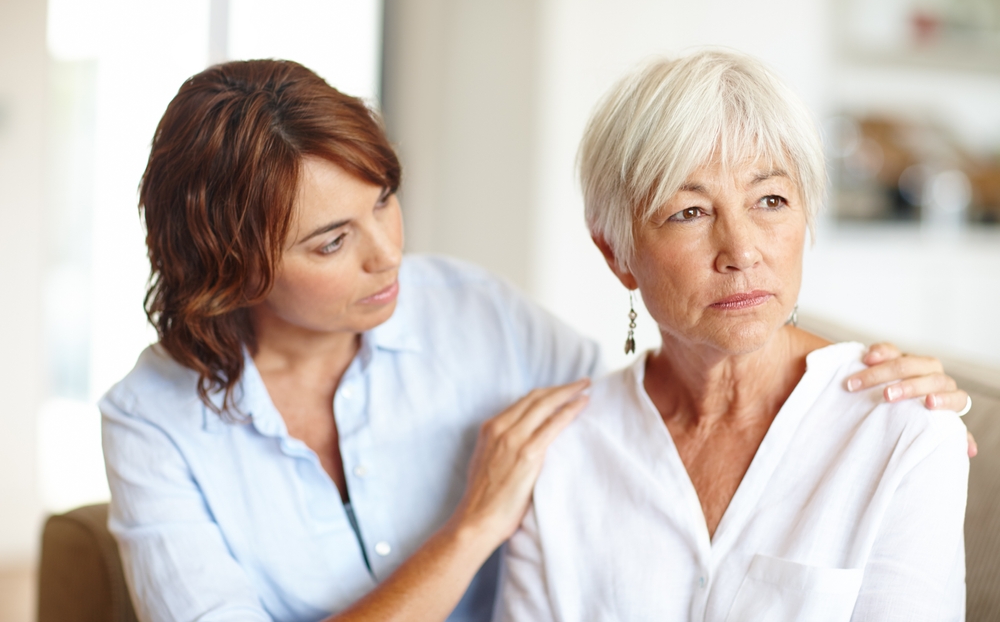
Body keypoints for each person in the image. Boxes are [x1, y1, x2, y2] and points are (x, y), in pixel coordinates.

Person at [100, 59, 969, 622]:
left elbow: (685, 366)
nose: (387, 250)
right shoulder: (152, 422)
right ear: (235, 269)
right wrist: (475, 526)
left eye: (383, 200)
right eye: (331, 242)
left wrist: (860, 371)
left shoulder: (473, 314)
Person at [496, 50, 969, 621]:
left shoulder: (903, 427)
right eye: (690, 212)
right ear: (615, 251)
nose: (742, 250)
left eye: (770, 200)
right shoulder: (560, 452)